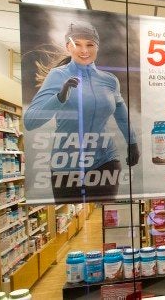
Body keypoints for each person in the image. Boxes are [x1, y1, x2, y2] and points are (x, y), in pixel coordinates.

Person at [24, 20, 139, 201]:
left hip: (105, 161)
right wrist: (59, 98)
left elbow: (122, 115)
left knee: (107, 217)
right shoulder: (58, 75)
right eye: (77, 44)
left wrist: (132, 143)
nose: (84, 50)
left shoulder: (109, 80)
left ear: (97, 47)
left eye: (90, 44)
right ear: (68, 46)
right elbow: (30, 121)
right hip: (67, 165)